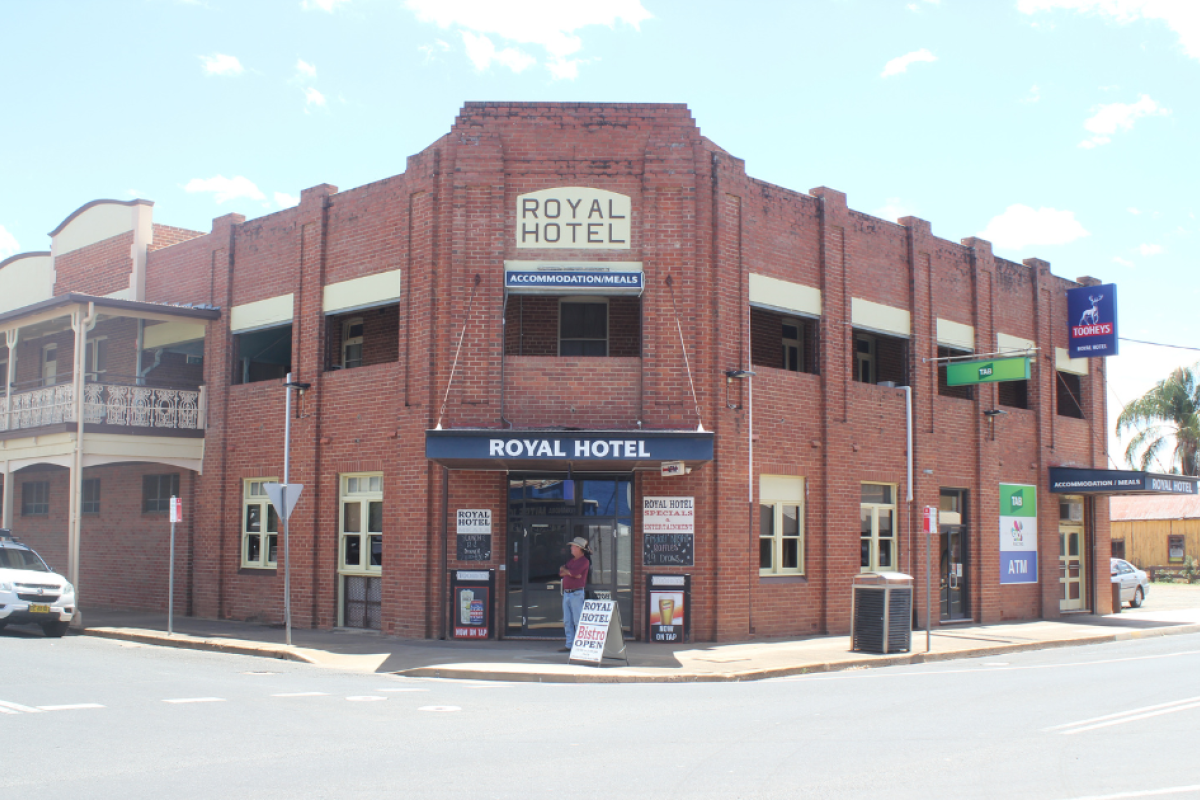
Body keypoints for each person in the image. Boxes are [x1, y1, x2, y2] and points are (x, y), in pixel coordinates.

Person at [558, 536, 591, 652]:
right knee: (567, 620)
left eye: (573, 546)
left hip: (576, 593)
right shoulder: (572, 561)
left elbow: (575, 572)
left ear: (578, 548)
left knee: (577, 620)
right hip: (567, 593)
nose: (571, 548)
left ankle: (579, 645)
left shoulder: (584, 561)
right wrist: (570, 573)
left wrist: (570, 572)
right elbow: (561, 572)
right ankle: (569, 644)